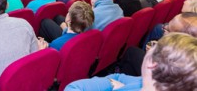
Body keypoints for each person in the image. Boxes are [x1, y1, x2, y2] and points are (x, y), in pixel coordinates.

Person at [65, 33, 197, 91]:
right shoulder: (143, 82)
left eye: (154, 48)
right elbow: (118, 76)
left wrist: (109, 84)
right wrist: (114, 82)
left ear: (152, 64)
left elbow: (73, 88)